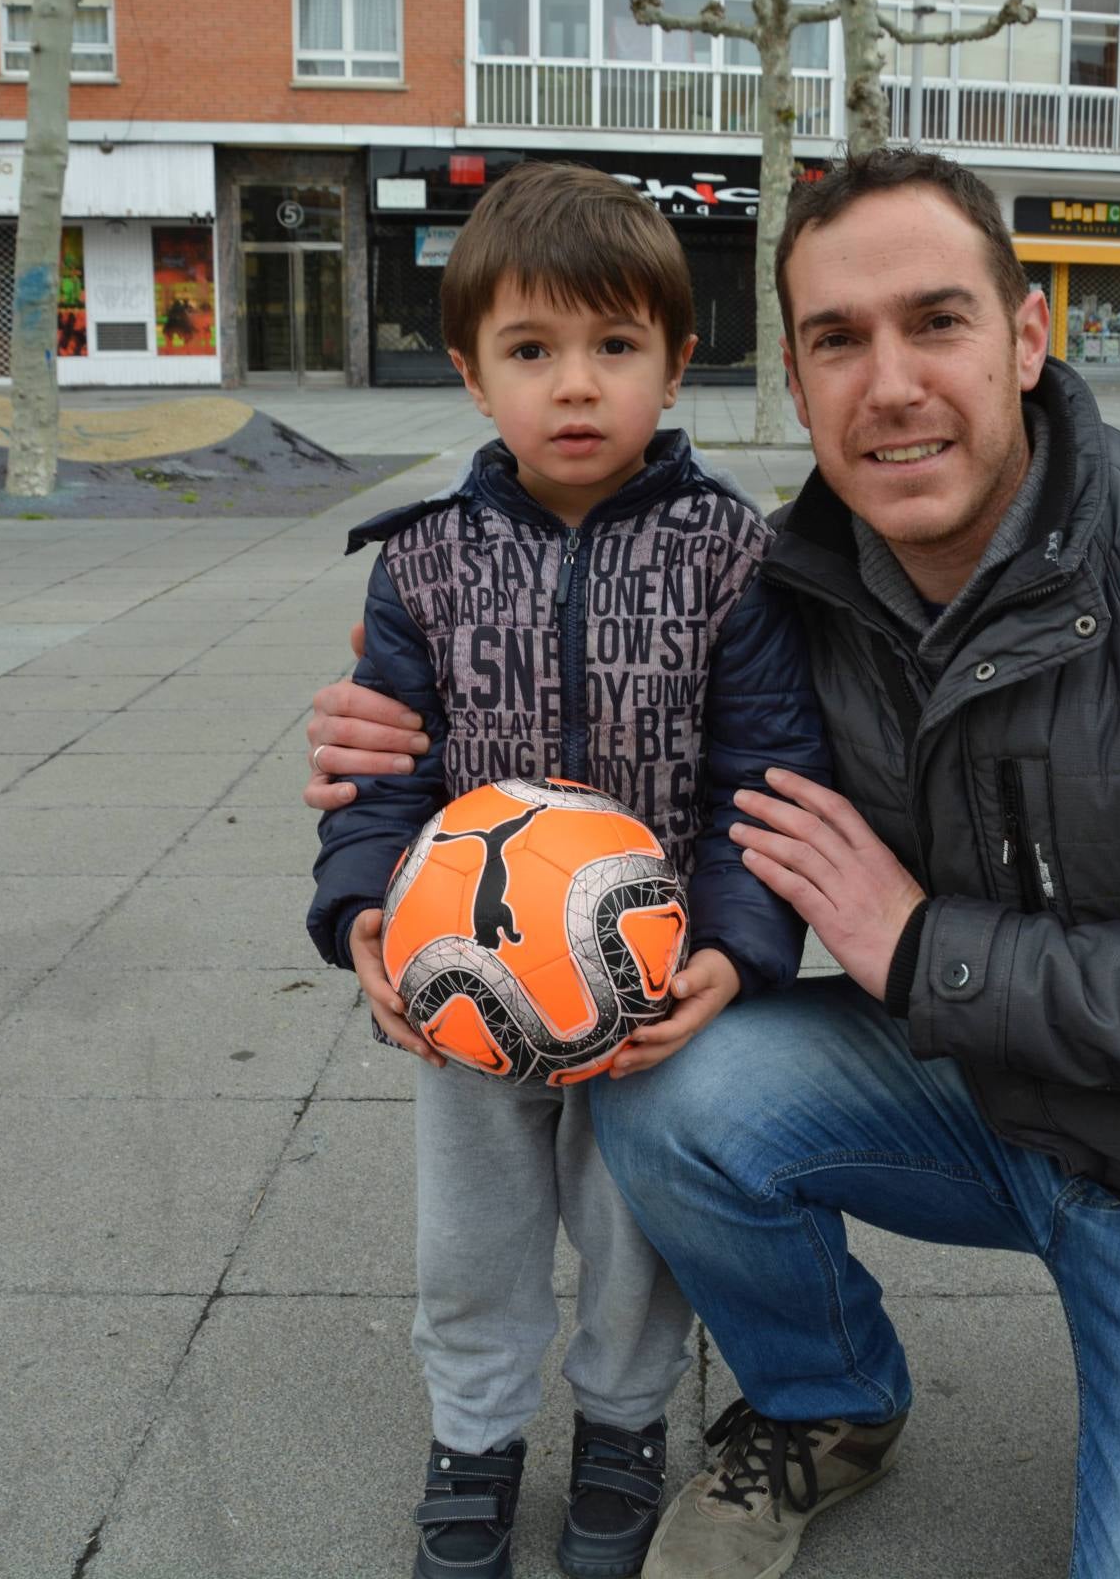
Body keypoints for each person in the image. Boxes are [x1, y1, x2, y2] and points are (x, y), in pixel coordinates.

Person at [308, 147, 1120, 1579]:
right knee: (674, 1085)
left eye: (939, 322)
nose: (890, 382)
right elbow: (670, 755)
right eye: (841, 340)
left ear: (1029, 336)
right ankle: (829, 1402)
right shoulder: (792, 585)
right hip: (985, 1097)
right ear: (793, 377)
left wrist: (920, 951)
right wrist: (387, 821)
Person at [305, 162, 831, 1579]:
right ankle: (474, 1436)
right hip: (471, 984)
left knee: (635, 1232)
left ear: (677, 361)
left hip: (639, 992)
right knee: (472, 1239)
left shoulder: (735, 558)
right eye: (532, 351)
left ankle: (620, 1426)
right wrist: (365, 913)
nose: (576, 386)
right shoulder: (419, 565)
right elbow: (381, 773)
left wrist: (732, 944)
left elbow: (763, 775)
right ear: (473, 374)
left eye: (615, 347)